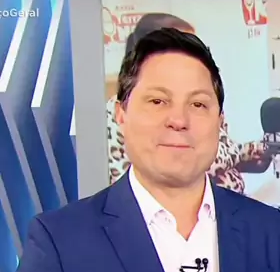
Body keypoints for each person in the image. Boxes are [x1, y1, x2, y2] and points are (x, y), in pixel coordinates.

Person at [0, 28, 280, 272]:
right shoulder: (59, 240)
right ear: (121, 114)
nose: (178, 120)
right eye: (158, 101)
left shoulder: (266, 228)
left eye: (198, 104)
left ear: (220, 121)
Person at [107, 13, 271, 192]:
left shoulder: (206, 97)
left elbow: (221, 152)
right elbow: (208, 160)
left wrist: (252, 154)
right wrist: (244, 152)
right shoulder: (122, 111)